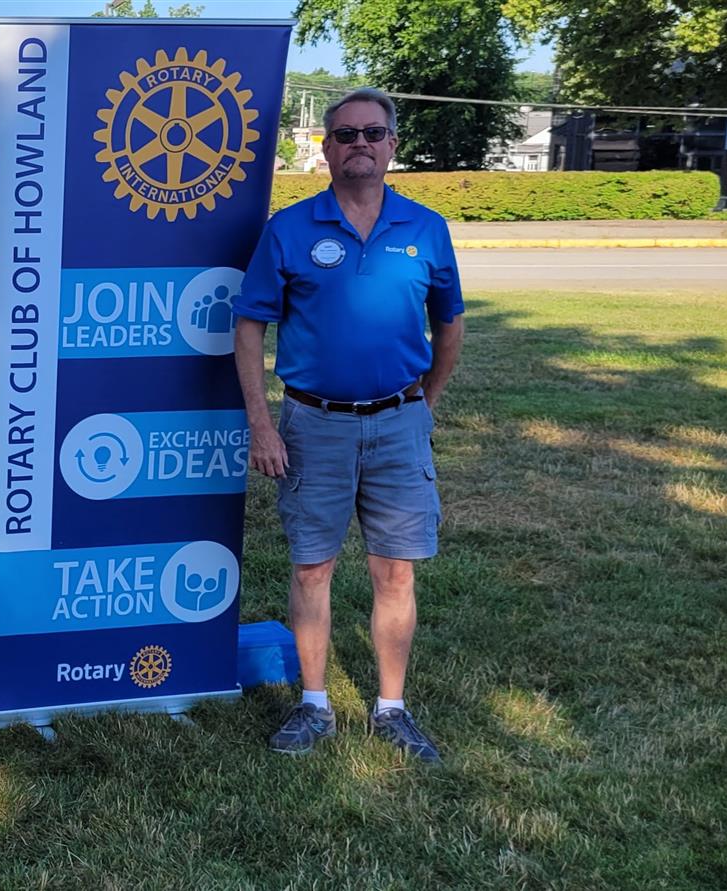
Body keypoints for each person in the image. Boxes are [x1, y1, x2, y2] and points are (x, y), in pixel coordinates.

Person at [231, 88, 465, 763]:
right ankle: (314, 704)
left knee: (396, 573)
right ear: (326, 149)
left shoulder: (427, 229)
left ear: (393, 144)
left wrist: (424, 402)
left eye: (372, 133)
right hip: (313, 425)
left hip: (398, 425)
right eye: (345, 134)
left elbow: (450, 323)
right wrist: (261, 425)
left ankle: (391, 708)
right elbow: (249, 327)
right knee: (312, 569)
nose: (359, 143)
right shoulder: (289, 229)